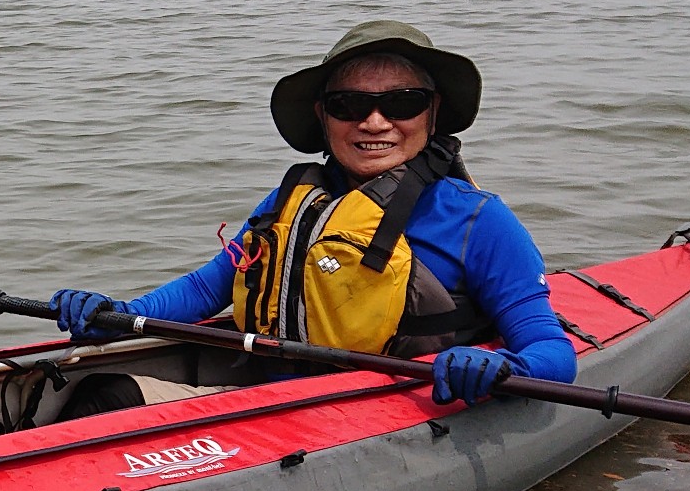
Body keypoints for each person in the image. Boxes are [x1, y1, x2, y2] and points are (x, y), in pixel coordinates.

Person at [48, 20, 577, 405]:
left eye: (401, 103)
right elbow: (206, 291)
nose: (374, 122)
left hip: (392, 412)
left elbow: (552, 353)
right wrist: (114, 315)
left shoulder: (479, 220)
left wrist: (504, 366)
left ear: (432, 113)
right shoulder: (291, 204)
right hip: (270, 403)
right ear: (324, 117)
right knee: (106, 394)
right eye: (349, 105)